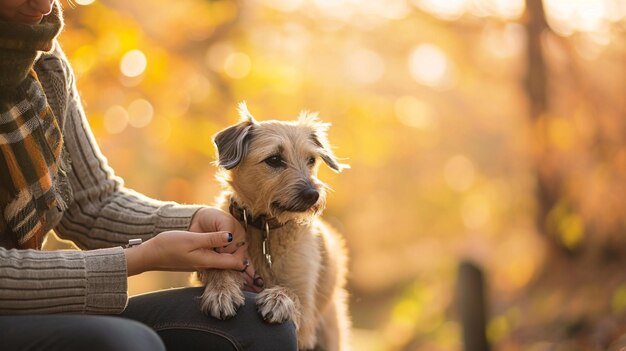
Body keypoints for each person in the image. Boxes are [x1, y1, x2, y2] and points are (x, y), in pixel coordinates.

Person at [0, 0, 297, 350]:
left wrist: (193, 221)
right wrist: (140, 258)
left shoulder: (44, 60)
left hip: (32, 306)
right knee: (125, 343)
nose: (44, 4)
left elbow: (91, 203)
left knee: (261, 328)